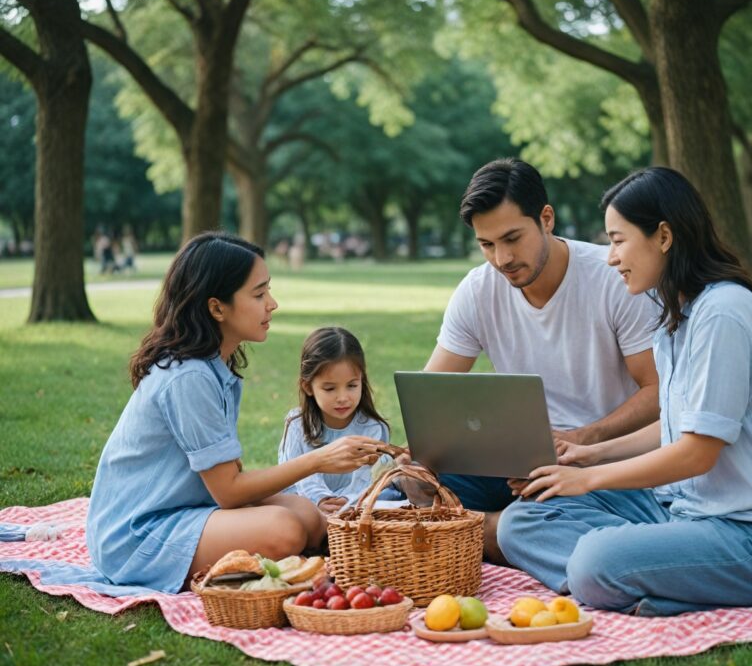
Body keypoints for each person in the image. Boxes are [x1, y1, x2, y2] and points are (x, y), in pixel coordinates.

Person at [497, 167, 752, 616]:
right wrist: (586, 455)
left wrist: (589, 478)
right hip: (687, 511)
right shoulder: (676, 316)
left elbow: (696, 453)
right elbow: (674, 426)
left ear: (664, 236)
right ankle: (629, 573)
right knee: (522, 520)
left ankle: (619, 577)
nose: (611, 257)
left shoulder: (724, 315)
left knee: (596, 562)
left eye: (618, 239)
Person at [86, 233, 389, 593]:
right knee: (286, 529)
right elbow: (229, 492)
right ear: (217, 308)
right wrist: (319, 459)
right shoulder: (189, 377)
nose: (272, 304)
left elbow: (228, 476)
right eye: (259, 294)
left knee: (309, 514)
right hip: (138, 534)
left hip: (187, 507)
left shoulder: (216, 367)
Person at [416, 158, 660, 562]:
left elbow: (659, 392)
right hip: (515, 461)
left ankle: (479, 532)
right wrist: (420, 458)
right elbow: (430, 395)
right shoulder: (478, 290)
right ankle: (491, 531)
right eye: (487, 244)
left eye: (513, 238)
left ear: (546, 218)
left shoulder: (613, 279)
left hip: (602, 462)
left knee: (521, 522)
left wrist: (583, 439)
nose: (501, 259)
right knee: (405, 488)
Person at [278, 326, 404, 514]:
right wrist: (321, 499)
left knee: (391, 494)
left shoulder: (373, 428)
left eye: (352, 385)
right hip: (305, 501)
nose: (343, 397)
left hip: (353, 505)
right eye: (330, 389)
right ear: (308, 387)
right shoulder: (297, 424)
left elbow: (367, 478)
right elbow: (300, 475)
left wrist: (347, 500)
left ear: (362, 380)